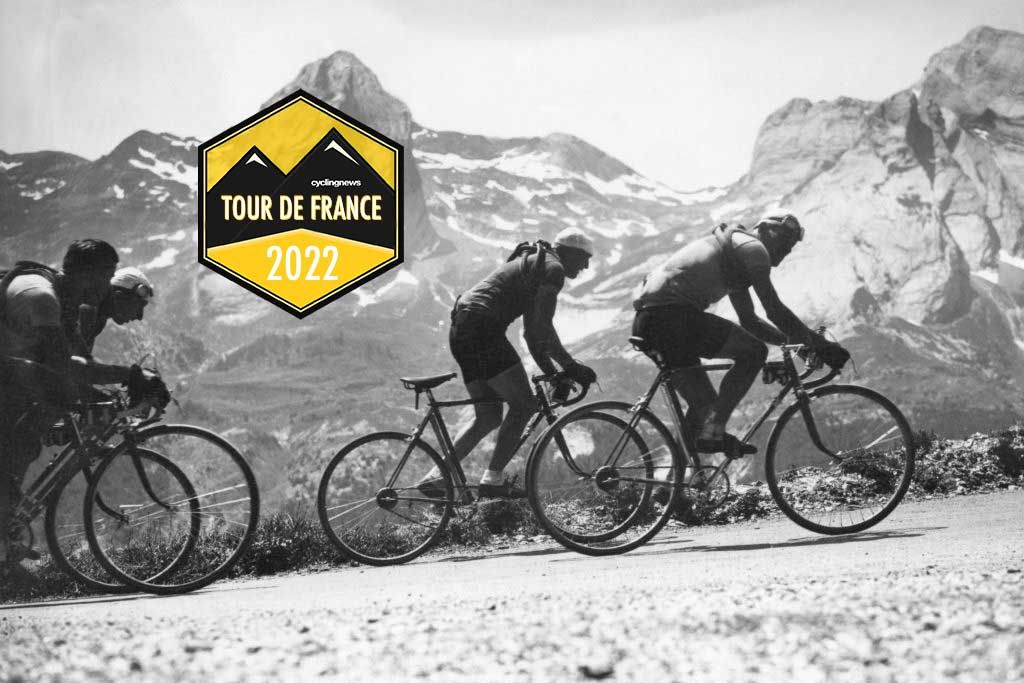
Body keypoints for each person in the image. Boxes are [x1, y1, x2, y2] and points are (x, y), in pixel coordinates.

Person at [0, 241, 165, 571]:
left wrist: (104, 394)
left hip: (14, 377)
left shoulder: (69, 306)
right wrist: (131, 376)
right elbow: (65, 368)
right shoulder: (44, 299)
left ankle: (7, 539)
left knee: (25, 442)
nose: (107, 288)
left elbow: (75, 365)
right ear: (89, 276)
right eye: (106, 278)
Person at [632, 214, 850, 455]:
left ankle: (671, 489)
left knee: (703, 406)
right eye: (785, 243)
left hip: (650, 322)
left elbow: (751, 321)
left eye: (791, 248)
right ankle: (715, 431)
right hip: (672, 317)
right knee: (754, 352)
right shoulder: (754, 250)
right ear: (768, 233)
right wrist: (820, 345)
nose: (787, 251)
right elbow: (774, 310)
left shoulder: (735, 251)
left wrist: (797, 344)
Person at [443, 227, 599, 498]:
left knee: (489, 416)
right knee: (525, 405)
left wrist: (554, 373)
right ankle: (492, 480)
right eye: (584, 258)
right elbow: (543, 329)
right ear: (569, 253)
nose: (586, 266)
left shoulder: (535, 265)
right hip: (483, 328)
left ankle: (438, 476)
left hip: (461, 328)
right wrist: (571, 367)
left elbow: (531, 334)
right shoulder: (553, 269)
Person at [71, 266, 155, 360]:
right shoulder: (87, 311)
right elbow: (69, 366)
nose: (139, 316)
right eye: (139, 306)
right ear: (120, 296)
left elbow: (82, 363)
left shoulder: (99, 320)